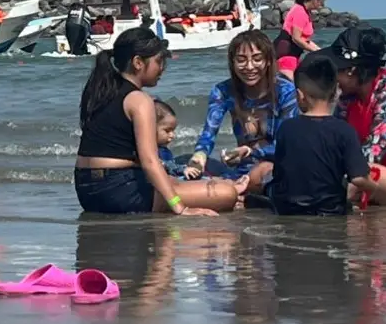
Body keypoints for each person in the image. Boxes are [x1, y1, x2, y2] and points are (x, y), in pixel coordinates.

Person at [74, 27, 245, 215]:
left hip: (87, 192)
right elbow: (149, 161)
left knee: (177, 183)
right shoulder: (139, 100)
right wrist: (181, 208)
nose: (162, 68)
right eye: (158, 61)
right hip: (121, 192)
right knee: (226, 194)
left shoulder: (101, 92)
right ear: (138, 62)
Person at [184, 30, 299, 191]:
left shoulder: (285, 91)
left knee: (268, 173)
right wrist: (200, 154)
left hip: (275, 166)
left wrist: (249, 151)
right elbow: (208, 134)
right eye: (241, 60)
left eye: (257, 59)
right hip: (242, 168)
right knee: (183, 169)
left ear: (268, 61)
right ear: (232, 63)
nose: (249, 67)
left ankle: (241, 191)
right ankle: (236, 188)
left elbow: (286, 143)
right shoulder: (223, 91)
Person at [269, 54, 376, 215]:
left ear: (300, 95)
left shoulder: (286, 128)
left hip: (288, 209)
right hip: (330, 212)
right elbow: (358, 179)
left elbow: (279, 173)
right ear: (335, 94)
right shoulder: (344, 130)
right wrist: (377, 188)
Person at [323, 27, 386, 207]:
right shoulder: (348, 98)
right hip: (376, 175)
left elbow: (370, 155)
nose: (333, 78)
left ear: (351, 70)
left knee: (365, 173)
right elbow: (333, 142)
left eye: (336, 70)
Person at [274, 0, 327, 79]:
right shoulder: (300, 12)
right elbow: (296, 38)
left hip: (293, 53)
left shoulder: (303, 10)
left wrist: (321, 51)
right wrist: (313, 51)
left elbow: (304, 39)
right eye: (321, 1)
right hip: (287, 53)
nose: (322, 5)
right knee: (291, 87)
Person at [153, 99, 188, 178]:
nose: (172, 135)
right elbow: (167, 166)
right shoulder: (154, 151)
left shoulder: (162, 149)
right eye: (167, 130)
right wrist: (184, 169)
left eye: (173, 130)